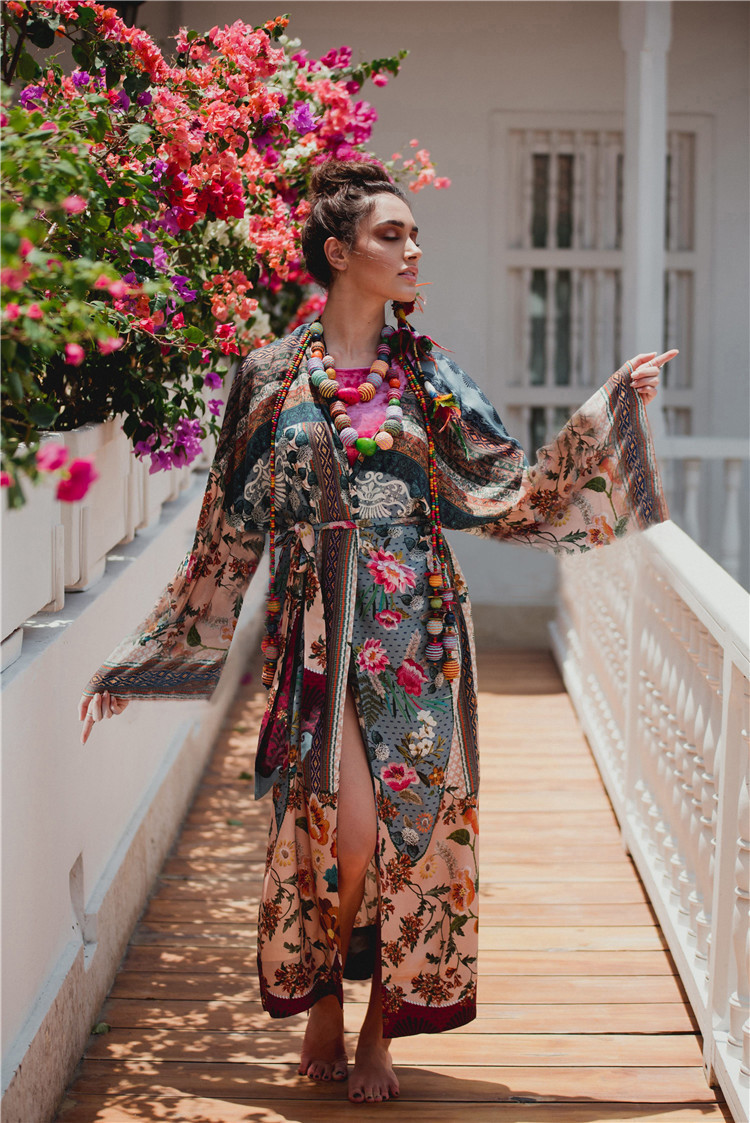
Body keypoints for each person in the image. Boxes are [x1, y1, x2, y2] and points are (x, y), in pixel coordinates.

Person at [79, 159, 676, 1105]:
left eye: (414, 234)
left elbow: (511, 490)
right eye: (391, 235)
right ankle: (323, 993)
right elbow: (228, 530)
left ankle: (375, 1027)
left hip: (419, 634)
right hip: (316, 632)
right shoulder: (270, 376)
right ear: (337, 252)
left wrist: (611, 414)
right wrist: (146, 660)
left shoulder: (428, 374)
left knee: (413, 834)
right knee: (342, 831)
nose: (412, 250)